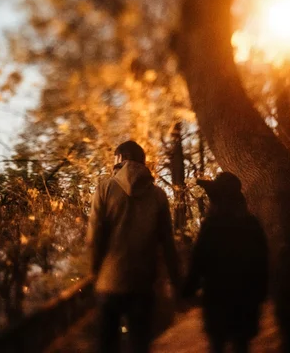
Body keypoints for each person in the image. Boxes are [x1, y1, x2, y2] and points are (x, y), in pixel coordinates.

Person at [87, 140, 180, 353]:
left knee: (106, 345)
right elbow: (167, 243)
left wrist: (94, 273)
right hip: (142, 283)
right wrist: (176, 280)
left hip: (109, 283)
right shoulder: (158, 195)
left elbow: (94, 238)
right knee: (140, 344)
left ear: (118, 160)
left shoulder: (104, 188)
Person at [183, 172, 269, 353]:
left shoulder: (212, 226)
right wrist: (261, 292)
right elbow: (262, 261)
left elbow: (199, 260)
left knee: (218, 345)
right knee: (241, 346)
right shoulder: (251, 224)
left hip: (217, 300)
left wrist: (187, 289)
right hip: (246, 301)